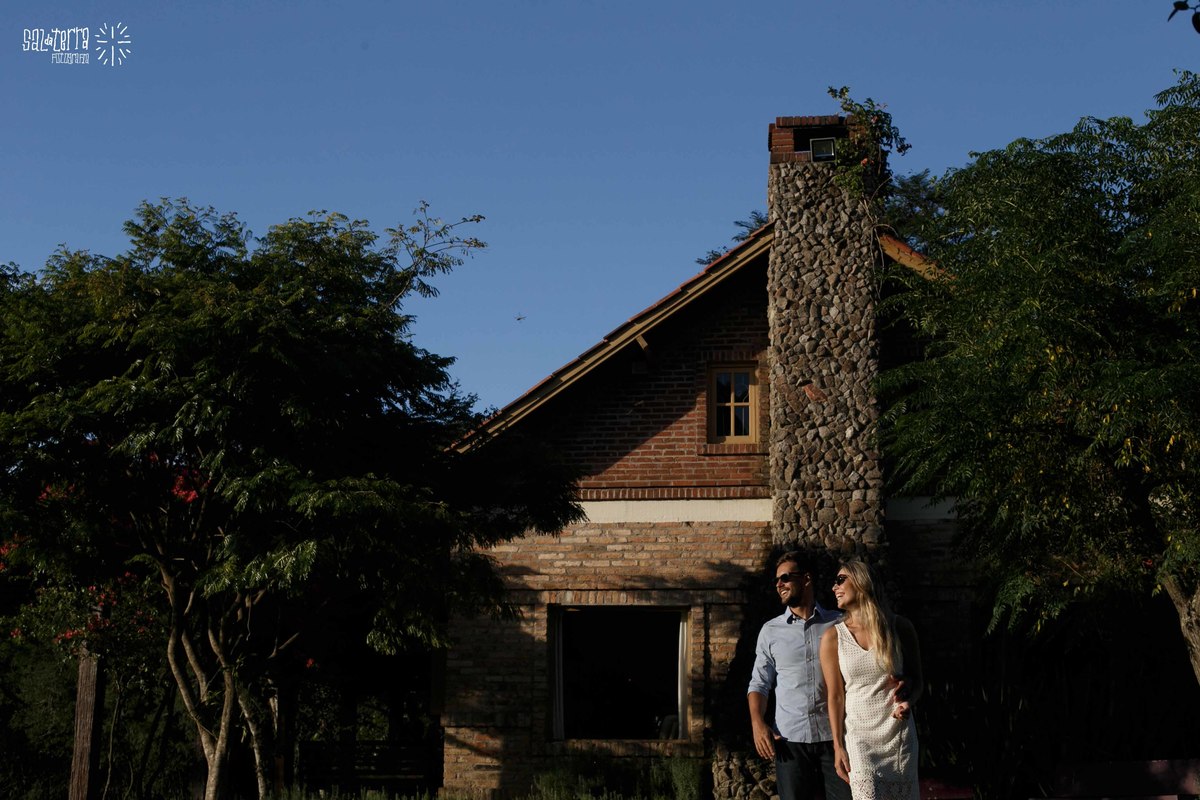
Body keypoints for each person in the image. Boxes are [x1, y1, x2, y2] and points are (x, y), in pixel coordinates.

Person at [748, 552, 850, 800]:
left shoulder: (840, 623)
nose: (779, 584)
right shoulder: (770, 631)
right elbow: (760, 683)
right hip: (790, 742)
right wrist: (757, 721)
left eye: (785, 577)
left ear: (806, 579)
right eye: (776, 581)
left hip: (835, 738)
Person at [819, 559, 923, 800]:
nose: (834, 587)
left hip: (898, 736)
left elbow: (917, 681)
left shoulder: (900, 627)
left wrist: (909, 701)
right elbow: (834, 696)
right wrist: (838, 746)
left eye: (840, 580)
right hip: (858, 737)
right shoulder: (833, 638)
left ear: (862, 581)